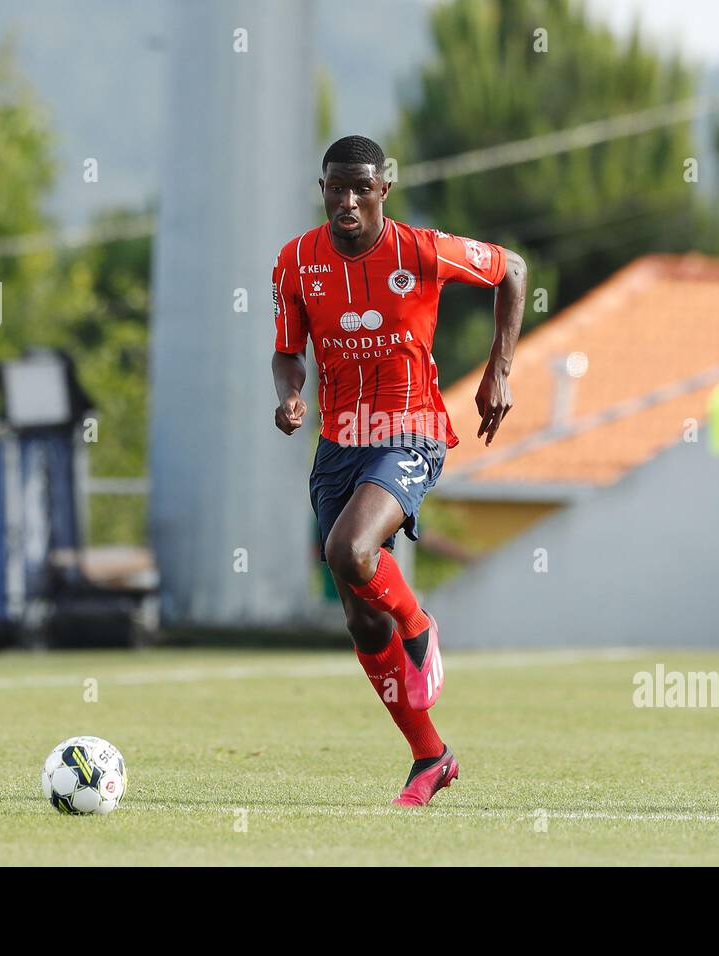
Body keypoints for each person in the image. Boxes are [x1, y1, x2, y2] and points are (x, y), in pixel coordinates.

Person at [270, 135, 526, 806]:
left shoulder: (421, 250)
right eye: (335, 187)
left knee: (349, 551)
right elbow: (287, 351)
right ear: (322, 187)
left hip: (409, 432)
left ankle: (420, 626)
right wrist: (290, 393)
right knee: (359, 618)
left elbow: (514, 270)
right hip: (337, 444)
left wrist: (499, 368)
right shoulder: (297, 262)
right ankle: (430, 756)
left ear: (385, 187)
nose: (347, 200)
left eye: (361, 187)